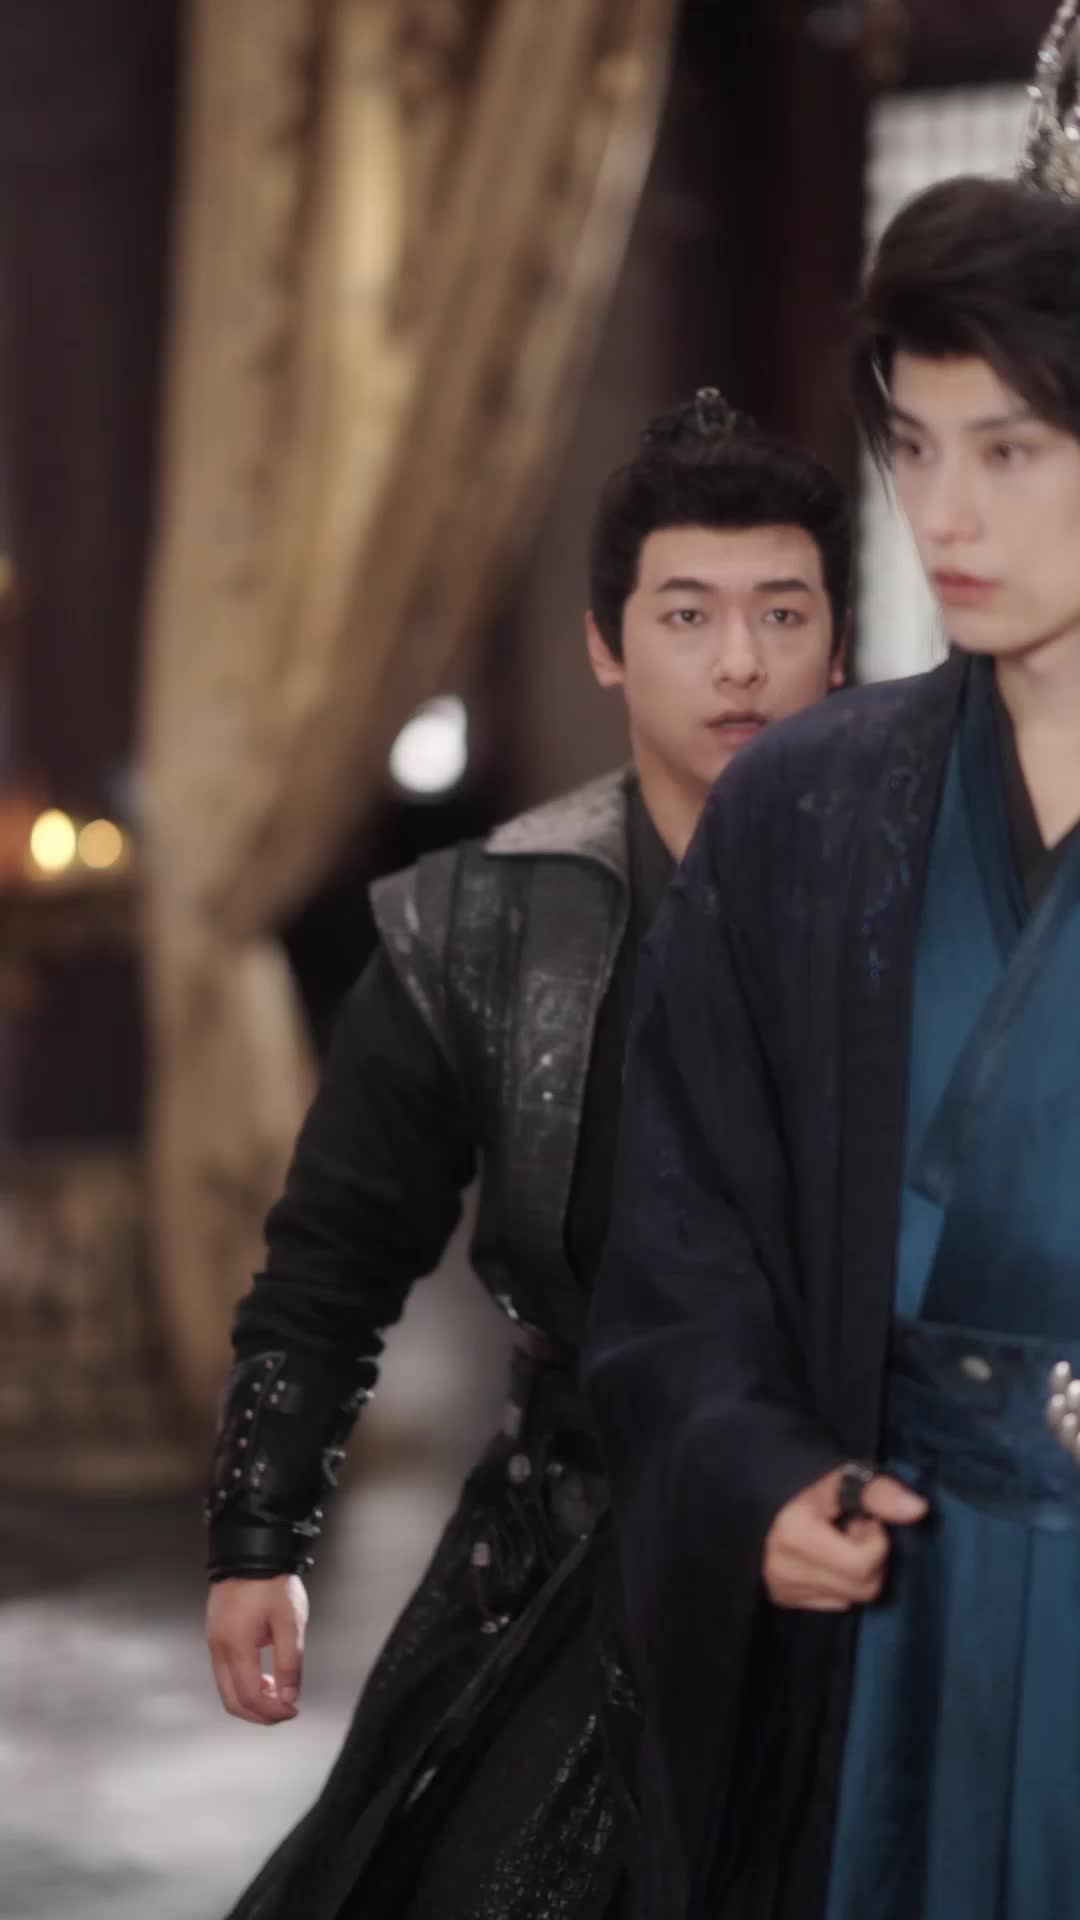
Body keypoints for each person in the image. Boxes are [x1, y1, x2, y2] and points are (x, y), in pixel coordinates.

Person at [203, 389, 850, 1920]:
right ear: (606, 644)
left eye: (783, 612)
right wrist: (258, 1537)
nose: (741, 663)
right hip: (573, 1527)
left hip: (854, 1517)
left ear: (842, 644)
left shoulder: (918, 906)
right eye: (687, 615)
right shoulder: (482, 923)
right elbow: (334, 1258)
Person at [585, 57, 1080, 1920]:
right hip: (897, 1592)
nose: (945, 514)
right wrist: (755, 1469)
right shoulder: (806, 806)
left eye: (1009, 451)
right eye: (914, 446)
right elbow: (684, 1222)